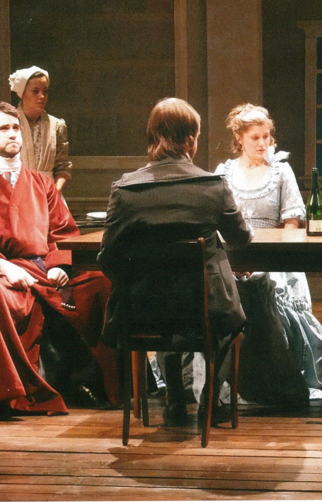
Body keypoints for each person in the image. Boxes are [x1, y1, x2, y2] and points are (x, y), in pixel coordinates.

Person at [0, 102, 118, 419]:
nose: (13, 134)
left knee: (102, 284)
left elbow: (64, 231)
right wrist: (1, 264)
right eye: (3, 128)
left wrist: (59, 264)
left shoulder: (42, 183)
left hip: (42, 269)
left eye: (15, 128)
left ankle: (100, 385)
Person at [97, 97, 252, 427]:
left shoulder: (125, 191)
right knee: (232, 318)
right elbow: (241, 239)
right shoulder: (212, 186)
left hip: (144, 309)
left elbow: (108, 257)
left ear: (152, 137)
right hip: (204, 308)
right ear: (191, 139)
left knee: (165, 306)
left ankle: (173, 400)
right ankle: (210, 394)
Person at [211, 103, 322, 406]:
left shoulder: (280, 171)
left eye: (267, 136)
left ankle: (275, 377)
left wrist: (270, 257)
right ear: (239, 138)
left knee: (268, 291)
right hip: (232, 259)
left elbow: (292, 222)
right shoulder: (223, 173)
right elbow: (215, 223)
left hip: (274, 257)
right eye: (255, 137)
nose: (263, 143)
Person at [9, 66, 72, 191]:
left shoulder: (56, 125)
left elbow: (62, 167)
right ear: (22, 93)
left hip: (49, 192)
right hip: (17, 192)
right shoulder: (9, 124)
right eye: (35, 91)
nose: (42, 96)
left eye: (45, 91)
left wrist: (54, 192)